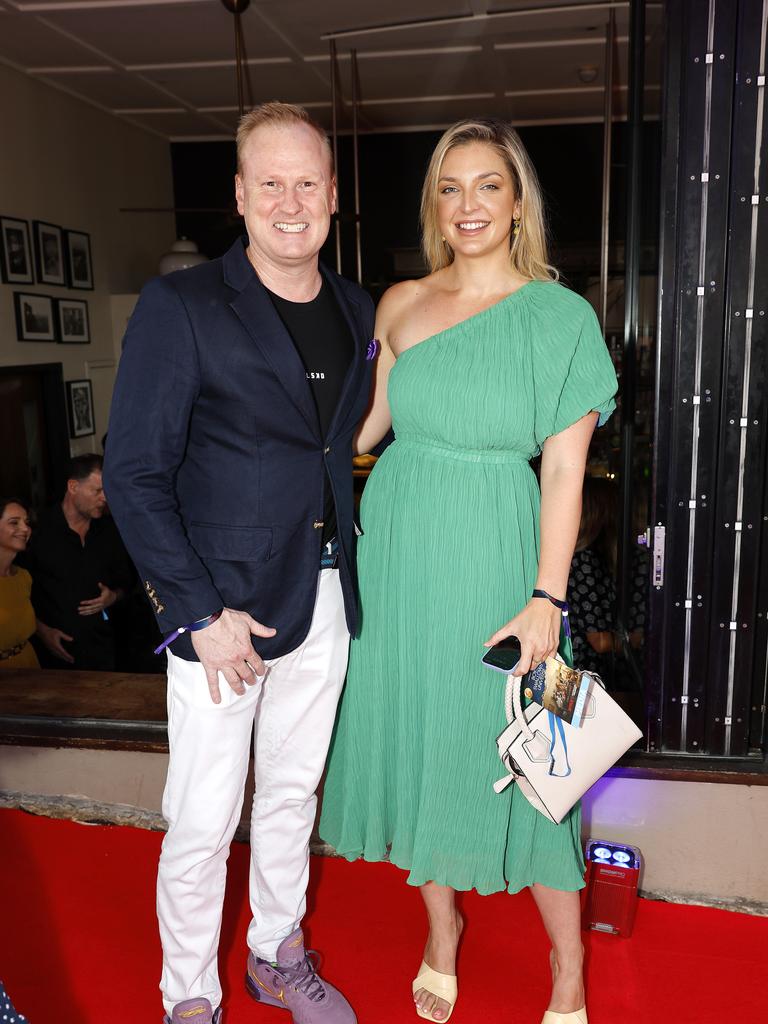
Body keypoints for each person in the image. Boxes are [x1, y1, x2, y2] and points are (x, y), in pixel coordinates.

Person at [320, 118, 618, 1024]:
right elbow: (364, 431)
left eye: (488, 185)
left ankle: (568, 964)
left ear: (518, 198)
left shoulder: (561, 316)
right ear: (433, 206)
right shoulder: (400, 302)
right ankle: (441, 928)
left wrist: (546, 599)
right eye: (450, 188)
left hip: (506, 555)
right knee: (424, 742)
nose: (468, 205)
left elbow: (564, 471)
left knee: (544, 768)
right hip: (401, 556)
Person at [103, 101, 374, 1024]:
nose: (290, 202)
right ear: (239, 194)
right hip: (222, 617)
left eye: (308, 182)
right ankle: (188, 996)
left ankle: (273, 950)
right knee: (205, 819)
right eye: (271, 183)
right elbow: (134, 473)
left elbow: (329, 452)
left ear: (334, 195)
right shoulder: (180, 306)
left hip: (326, 596)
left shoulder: (356, 308)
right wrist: (197, 613)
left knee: (294, 794)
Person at [22, 454, 133, 671]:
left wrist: (114, 596)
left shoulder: (110, 530)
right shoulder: (38, 532)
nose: (105, 498)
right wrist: (42, 631)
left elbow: (129, 583)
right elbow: (20, 593)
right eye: (97, 491)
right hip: (53, 656)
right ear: (73, 487)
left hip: (107, 652)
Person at [0, 498, 39, 669]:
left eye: (26, 522)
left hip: (28, 666)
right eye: (14, 522)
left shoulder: (23, 577)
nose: (25, 529)